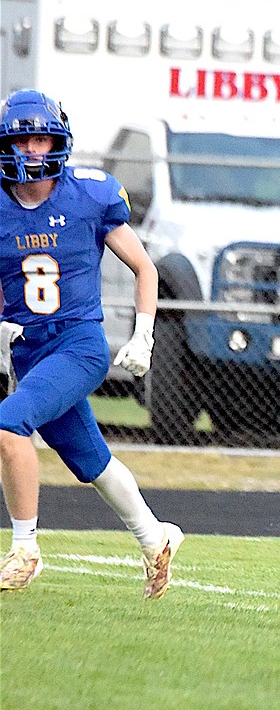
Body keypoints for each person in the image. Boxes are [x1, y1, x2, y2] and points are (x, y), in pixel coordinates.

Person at [0, 90, 182, 598]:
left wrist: (143, 334)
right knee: (90, 461)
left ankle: (24, 549)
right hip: (28, 350)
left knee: (8, 423)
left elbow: (145, 267)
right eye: (22, 140)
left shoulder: (89, 194)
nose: (33, 151)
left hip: (79, 345)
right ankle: (156, 539)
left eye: (41, 138)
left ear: (58, 140)